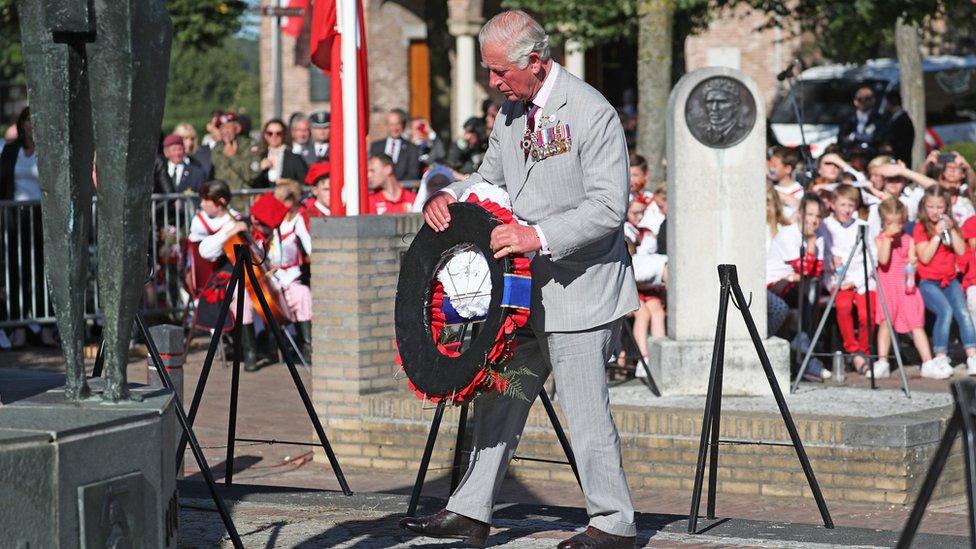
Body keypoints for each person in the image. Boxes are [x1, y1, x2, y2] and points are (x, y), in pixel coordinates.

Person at [408, 10, 638, 548]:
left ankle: (613, 524)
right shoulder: (510, 112)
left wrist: (538, 235)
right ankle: (470, 510)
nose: (492, 83)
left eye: (498, 72)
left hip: (581, 290)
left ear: (535, 61)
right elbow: (490, 180)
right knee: (499, 397)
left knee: (583, 411)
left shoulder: (591, 111)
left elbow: (608, 208)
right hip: (522, 294)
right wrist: (449, 196)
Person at [187, 180, 258, 371]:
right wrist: (230, 231)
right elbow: (205, 251)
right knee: (240, 295)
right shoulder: (199, 221)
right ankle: (246, 348)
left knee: (246, 295)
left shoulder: (235, 217)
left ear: (221, 201)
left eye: (206, 200)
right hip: (212, 277)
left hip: (234, 272)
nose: (201, 204)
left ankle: (251, 347)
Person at [0, 106, 53, 347]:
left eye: (36, 120)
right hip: (14, 219)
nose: (31, 125)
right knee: (16, 272)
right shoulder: (11, 151)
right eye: (27, 121)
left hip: (41, 219)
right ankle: (18, 326)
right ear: (22, 125)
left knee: (42, 272)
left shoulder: (49, 152)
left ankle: (44, 327)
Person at [873, 198, 942, 379]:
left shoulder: (908, 239)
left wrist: (913, 263)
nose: (895, 227)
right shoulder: (880, 239)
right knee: (886, 324)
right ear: (883, 222)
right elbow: (883, 260)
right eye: (890, 223)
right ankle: (882, 361)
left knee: (916, 324)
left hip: (906, 288)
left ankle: (927, 362)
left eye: (898, 223)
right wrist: (888, 237)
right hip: (888, 288)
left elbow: (913, 259)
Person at [914, 186, 976, 375]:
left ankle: (972, 355)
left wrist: (951, 230)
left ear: (946, 208)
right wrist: (936, 236)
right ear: (924, 207)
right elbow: (924, 257)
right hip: (928, 282)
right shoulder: (920, 228)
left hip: (949, 280)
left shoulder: (952, 225)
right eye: (931, 207)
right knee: (945, 311)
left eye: (940, 207)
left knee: (963, 312)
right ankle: (940, 357)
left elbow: (961, 251)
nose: (935, 211)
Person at [821, 184, 877, 374]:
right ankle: (852, 350)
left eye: (850, 205)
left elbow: (872, 256)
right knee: (843, 307)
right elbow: (824, 256)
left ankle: (864, 350)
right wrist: (830, 262)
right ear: (833, 205)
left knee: (866, 313)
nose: (846, 210)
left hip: (861, 279)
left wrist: (858, 280)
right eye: (842, 204)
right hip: (838, 280)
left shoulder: (862, 226)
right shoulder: (826, 226)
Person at [268, 179, 314, 360]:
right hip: (274, 275)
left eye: (285, 199)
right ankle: (276, 343)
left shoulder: (298, 220)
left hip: (294, 273)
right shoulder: (272, 223)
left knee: (302, 295)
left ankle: (307, 345)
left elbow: (310, 248)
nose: (281, 204)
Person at [210, 112, 259, 209]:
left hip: (244, 202)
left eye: (228, 127)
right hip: (223, 202)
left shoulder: (249, 146)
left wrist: (233, 156)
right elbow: (217, 174)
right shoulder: (217, 149)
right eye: (222, 128)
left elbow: (250, 174)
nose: (226, 131)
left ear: (237, 128)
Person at [369, 108, 421, 181]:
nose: (394, 128)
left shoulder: (412, 149)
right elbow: (372, 170)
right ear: (387, 125)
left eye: (397, 124)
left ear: (403, 125)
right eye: (391, 124)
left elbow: (413, 174)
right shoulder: (376, 146)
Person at [252, 118, 307, 188]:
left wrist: (288, 182)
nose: (274, 136)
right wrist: (260, 169)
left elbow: (304, 182)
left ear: (284, 135)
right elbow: (251, 182)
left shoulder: (294, 158)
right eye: (270, 133)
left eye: (278, 133)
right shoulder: (259, 156)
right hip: (264, 197)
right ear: (265, 135)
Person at [837, 85, 885, 155]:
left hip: (871, 155)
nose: (863, 102)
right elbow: (841, 139)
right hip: (851, 154)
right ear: (855, 101)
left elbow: (878, 138)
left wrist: (854, 136)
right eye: (859, 99)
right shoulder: (848, 118)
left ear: (873, 100)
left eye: (867, 99)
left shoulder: (879, 118)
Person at [879, 90, 915, 166]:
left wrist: (891, 147)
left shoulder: (904, 120)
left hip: (901, 160)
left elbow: (904, 142)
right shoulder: (891, 118)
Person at [768, 146, 802, 220]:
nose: (770, 168)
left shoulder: (799, 192)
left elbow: (798, 205)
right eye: (769, 165)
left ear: (788, 169)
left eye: (774, 166)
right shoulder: (770, 186)